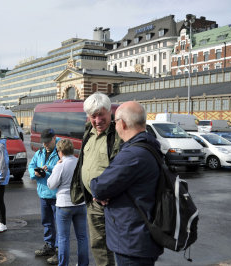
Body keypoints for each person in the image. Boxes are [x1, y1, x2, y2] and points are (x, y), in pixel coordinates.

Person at [90, 101, 164, 266]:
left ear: (122, 123)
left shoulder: (133, 154)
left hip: (132, 240)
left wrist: (99, 191)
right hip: (142, 235)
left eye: (116, 122)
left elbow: (99, 186)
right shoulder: (149, 146)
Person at [70, 92, 121, 266]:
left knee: (121, 246)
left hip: (112, 202)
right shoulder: (88, 133)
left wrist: (108, 191)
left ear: (109, 112)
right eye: (93, 116)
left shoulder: (117, 135)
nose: (98, 120)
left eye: (101, 115)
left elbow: (121, 169)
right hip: (92, 202)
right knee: (98, 245)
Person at [47, 139, 89, 266]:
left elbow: (51, 185)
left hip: (64, 204)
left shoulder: (60, 165)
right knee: (82, 237)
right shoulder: (80, 163)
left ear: (60, 152)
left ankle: (63, 264)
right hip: (80, 203)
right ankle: (83, 264)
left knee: (63, 238)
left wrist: (55, 167)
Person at [28, 128, 60, 265]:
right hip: (43, 193)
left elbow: (64, 168)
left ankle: (59, 250)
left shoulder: (60, 151)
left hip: (56, 194)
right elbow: (31, 165)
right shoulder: (40, 152)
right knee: (47, 222)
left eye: (47, 142)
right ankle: (49, 246)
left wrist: (48, 170)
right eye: (44, 142)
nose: (45, 144)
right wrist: (34, 173)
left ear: (54, 138)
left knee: (59, 223)